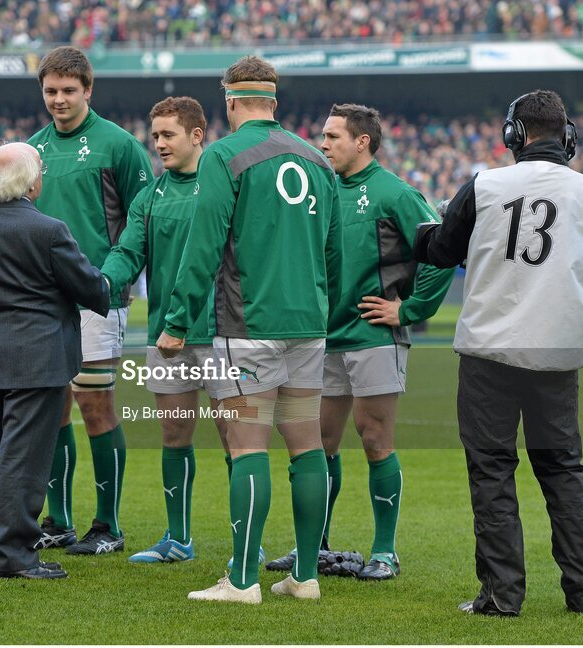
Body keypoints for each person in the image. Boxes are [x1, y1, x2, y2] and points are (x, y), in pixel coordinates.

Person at [413, 89, 583, 616]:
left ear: (515, 135)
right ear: (567, 136)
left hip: (489, 353)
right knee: (564, 472)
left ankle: (501, 595)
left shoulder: (485, 184)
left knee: (492, 474)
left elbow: (443, 249)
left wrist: (421, 234)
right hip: (556, 355)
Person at [157, 56, 341, 604]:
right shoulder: (315, 157)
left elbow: (204, 246)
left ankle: (242, 581)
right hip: (308, 322)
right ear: (275, 104)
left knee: (247, 445)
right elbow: (333, 250)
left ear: (230, 102)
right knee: (306, 446)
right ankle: (305, 576)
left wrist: (175, 322)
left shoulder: (223, 154)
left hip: (247, 322)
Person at [266, 103, 454, 580]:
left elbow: (441, 254)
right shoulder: (320, 190)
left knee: (375, 440)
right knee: (319, 444)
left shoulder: (395, 193)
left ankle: (385, 552)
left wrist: (408, 310)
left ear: (362, 142)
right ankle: (316, 545)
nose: (322, 144)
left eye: (332, 137)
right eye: (323, 136)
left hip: (374, 336)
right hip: (324, 339)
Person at [0, 142, 110, 579]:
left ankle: (1, 541)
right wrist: (107, 283)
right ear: (33, 183)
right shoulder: (48, 230)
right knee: (25, 456)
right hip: (41, 354)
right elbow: (91, 289)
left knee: (4, 451)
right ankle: (13, 553)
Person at [28, 46, 153, 554]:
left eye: (68, 91)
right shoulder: (31, 148)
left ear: (88, 90)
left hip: (98, 300)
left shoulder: (118, 146)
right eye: (51, 91)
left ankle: (108, 525)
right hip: (42, 301)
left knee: (96, 406)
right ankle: (57, 519)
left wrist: (117, 281)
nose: (58, 100)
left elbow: (143, 219)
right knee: (52, 409)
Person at [101, 96, 231, 564]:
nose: (158, 144)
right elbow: (127, 252)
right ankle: (178, 538)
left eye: (167, 134)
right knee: (174, 436)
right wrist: (100, 281)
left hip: (223, 332)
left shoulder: (226, 186)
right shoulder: (150, 195)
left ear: (197, 135)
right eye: (154, 135)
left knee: (237, 439)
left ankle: (246, 542)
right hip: (167, 337)